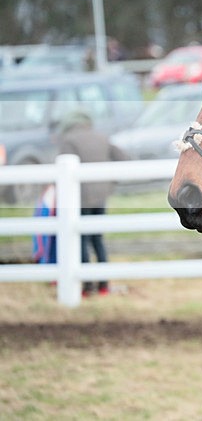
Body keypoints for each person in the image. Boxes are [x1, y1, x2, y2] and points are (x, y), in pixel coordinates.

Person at [57, 109, 128, 296]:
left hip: (79, 199)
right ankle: (104, 285)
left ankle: (87, 286)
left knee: (81, 239)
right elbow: (124, 159)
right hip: (100, 196)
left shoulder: (69, 141)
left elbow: (61, 171)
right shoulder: (101, 137)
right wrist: (110, 183)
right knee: (97, 239)